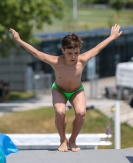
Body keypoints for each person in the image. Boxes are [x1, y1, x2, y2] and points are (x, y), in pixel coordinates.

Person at [9, 24, 122, 152]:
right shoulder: (56, 61)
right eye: (69, 53)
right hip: (59, 90)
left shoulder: (82, 60)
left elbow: (98, 48)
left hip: (76, 90)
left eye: (76, 53)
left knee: (81, 113)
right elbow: (36, 53)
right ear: (63, 50)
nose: (73, 57)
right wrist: (19, 40)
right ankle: (63, 139)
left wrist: (112, 37)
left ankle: (72, 139)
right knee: (60, 112)